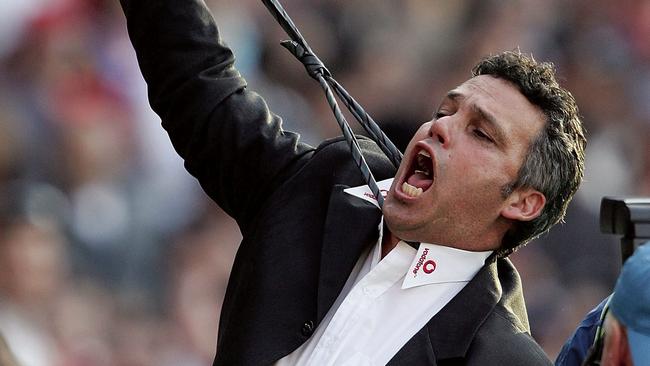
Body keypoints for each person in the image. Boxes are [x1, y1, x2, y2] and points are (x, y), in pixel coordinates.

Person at [119, 0, 586, 364]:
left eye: (480, 133)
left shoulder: (503, 357)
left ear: (523, 202)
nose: (439, 128)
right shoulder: (322, 184)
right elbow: (200, 89)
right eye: (445, 111)